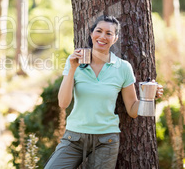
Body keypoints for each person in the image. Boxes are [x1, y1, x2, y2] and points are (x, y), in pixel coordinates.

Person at [44, 15, 164, 169]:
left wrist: (149, 96)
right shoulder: (75, 62)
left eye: (109, 33)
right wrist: (73, 68)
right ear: (91, 34)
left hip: (106, 141)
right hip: (74, 137)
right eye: (99, 31)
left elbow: (133, 110)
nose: (102, 36)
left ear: (115, 38)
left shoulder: (123, 67)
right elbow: (63, 102)